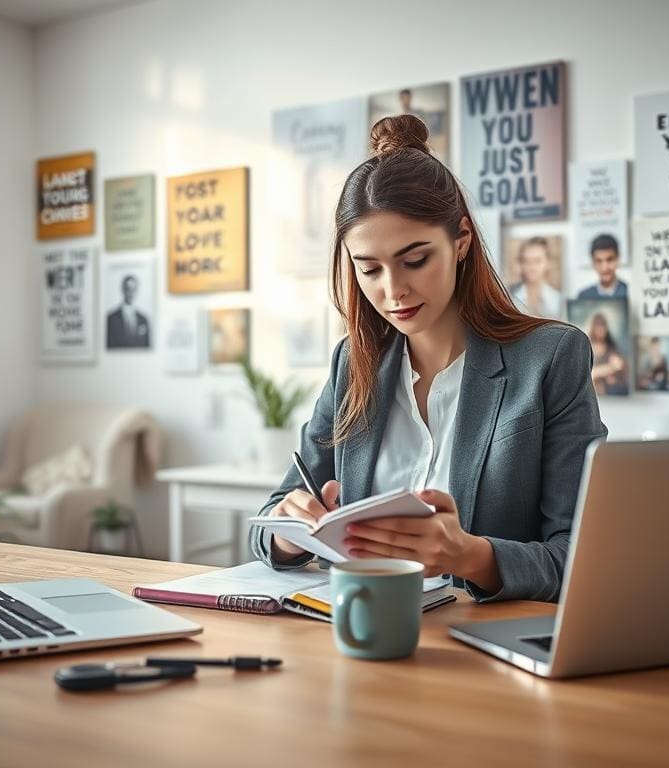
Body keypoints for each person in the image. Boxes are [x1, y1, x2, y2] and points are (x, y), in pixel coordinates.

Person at [250, 115, 607, 602]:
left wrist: (471, 555)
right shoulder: (353, 365)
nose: (393, 291)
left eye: (415, 260)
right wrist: (287, 535)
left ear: (461, 240)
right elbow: (270, 518)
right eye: (369, 269)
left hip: (486, 652)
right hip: (360, 631)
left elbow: (583, 556)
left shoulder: (551, 359)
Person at [507, 237, 563, 319]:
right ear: (521, 263)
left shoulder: (557, 300)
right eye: (526, 261)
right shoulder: (509, 296)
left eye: (537, 261)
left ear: (547, 262)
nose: (532, 267)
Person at [586, 312, 628, 396]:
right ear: (593, 327)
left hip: (609, 391)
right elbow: (590, 375)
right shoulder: (587, 346)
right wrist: (609, 368)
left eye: (603, 326)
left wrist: (605, 371)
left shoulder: (611, 347)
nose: (601, 330)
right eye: (598, 326)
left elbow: (619, 365)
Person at [577, 234, 627, 299]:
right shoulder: (584, 296)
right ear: (593, 263)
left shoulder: (630, 292)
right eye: (599, 261)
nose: (605, 268)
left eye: (609, 260)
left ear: (618, 259)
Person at [106, 274, 151, 348]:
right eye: (128, 289)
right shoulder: (111, 318)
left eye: (133, 289)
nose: (131, 293)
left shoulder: (143, 319)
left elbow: (147, 346)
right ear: (123, 290)